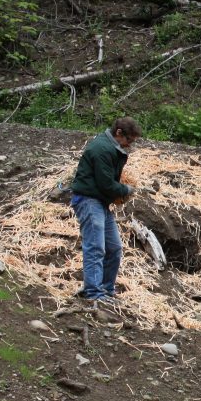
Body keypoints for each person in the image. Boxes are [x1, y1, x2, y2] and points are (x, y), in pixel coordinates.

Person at [69, 117, 141, 303]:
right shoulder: (102, 149)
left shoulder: (110, 147)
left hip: (100, 202)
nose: (129, 146)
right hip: (88, 200)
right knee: (95, 247)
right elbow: (106, 184)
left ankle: (106, 289)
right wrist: (125, 190)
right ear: (119, 133)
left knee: (114, 247)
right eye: (128, 141)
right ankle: (93, 293)